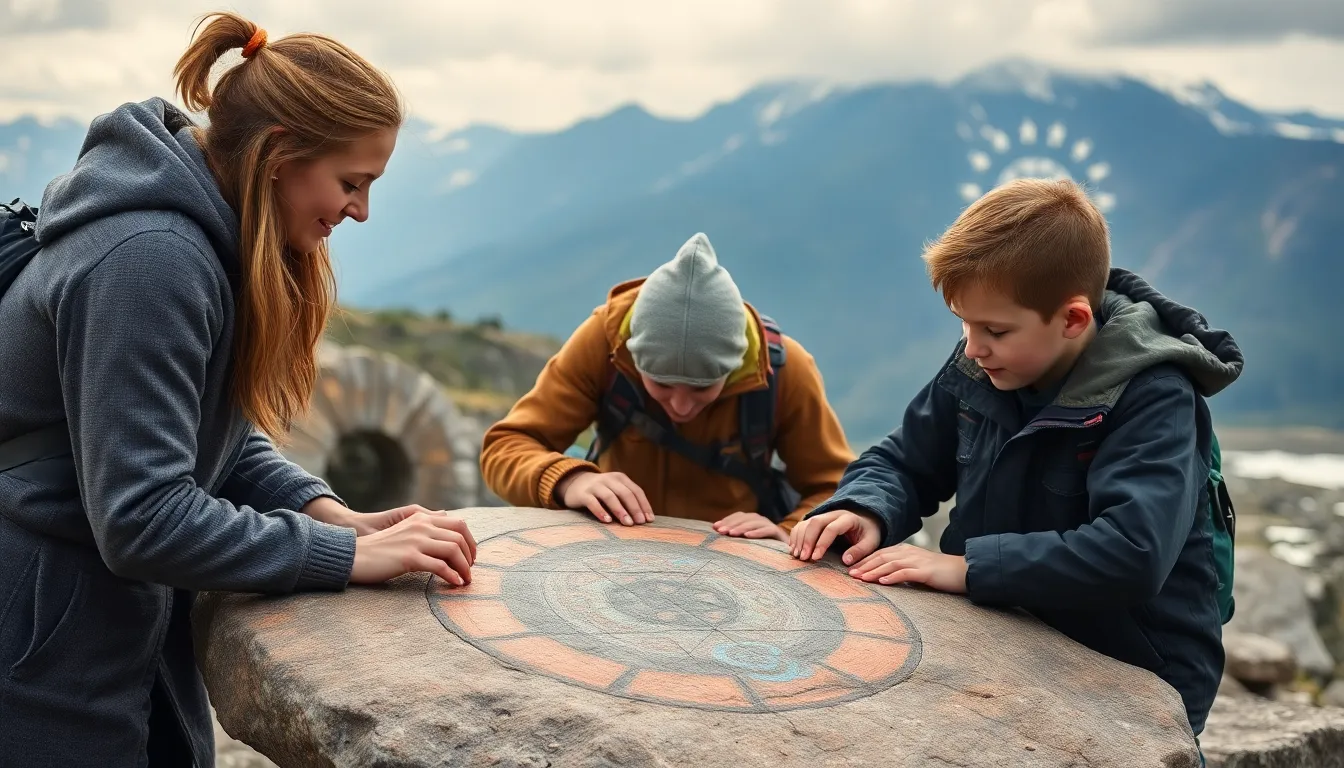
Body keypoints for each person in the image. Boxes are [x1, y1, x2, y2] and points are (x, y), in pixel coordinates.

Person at [0, 14, 476, 767]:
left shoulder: (205, 231)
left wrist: (332, 515)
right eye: (351, 182)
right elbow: (142, 517)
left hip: (111, 635)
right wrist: (340, 559)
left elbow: (205, 428)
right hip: (44, 661)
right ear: (281, 154)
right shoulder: (151, 262)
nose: (360, 210)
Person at [789, 178, 1243, 740]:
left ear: (1073, 320)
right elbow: (906, 459)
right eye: (963, 323)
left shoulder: (1157, 397)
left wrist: (970, 568)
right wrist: (868, 509)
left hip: (1134, 666)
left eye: (994, 330)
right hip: (1002, 629)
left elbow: (1133, 551)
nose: (973, 346)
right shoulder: (991, 361)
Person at [480, 232, 854, 540]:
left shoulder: (785, 372)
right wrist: (568, 480)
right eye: (660, 383)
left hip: (738, 568)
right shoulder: (603, 344)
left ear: (736, 363)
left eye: (704, 388)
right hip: (607, 550)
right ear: (631, 355)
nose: (680, 405)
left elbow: (838, 489)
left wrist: (788, 531)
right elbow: (505, 448)